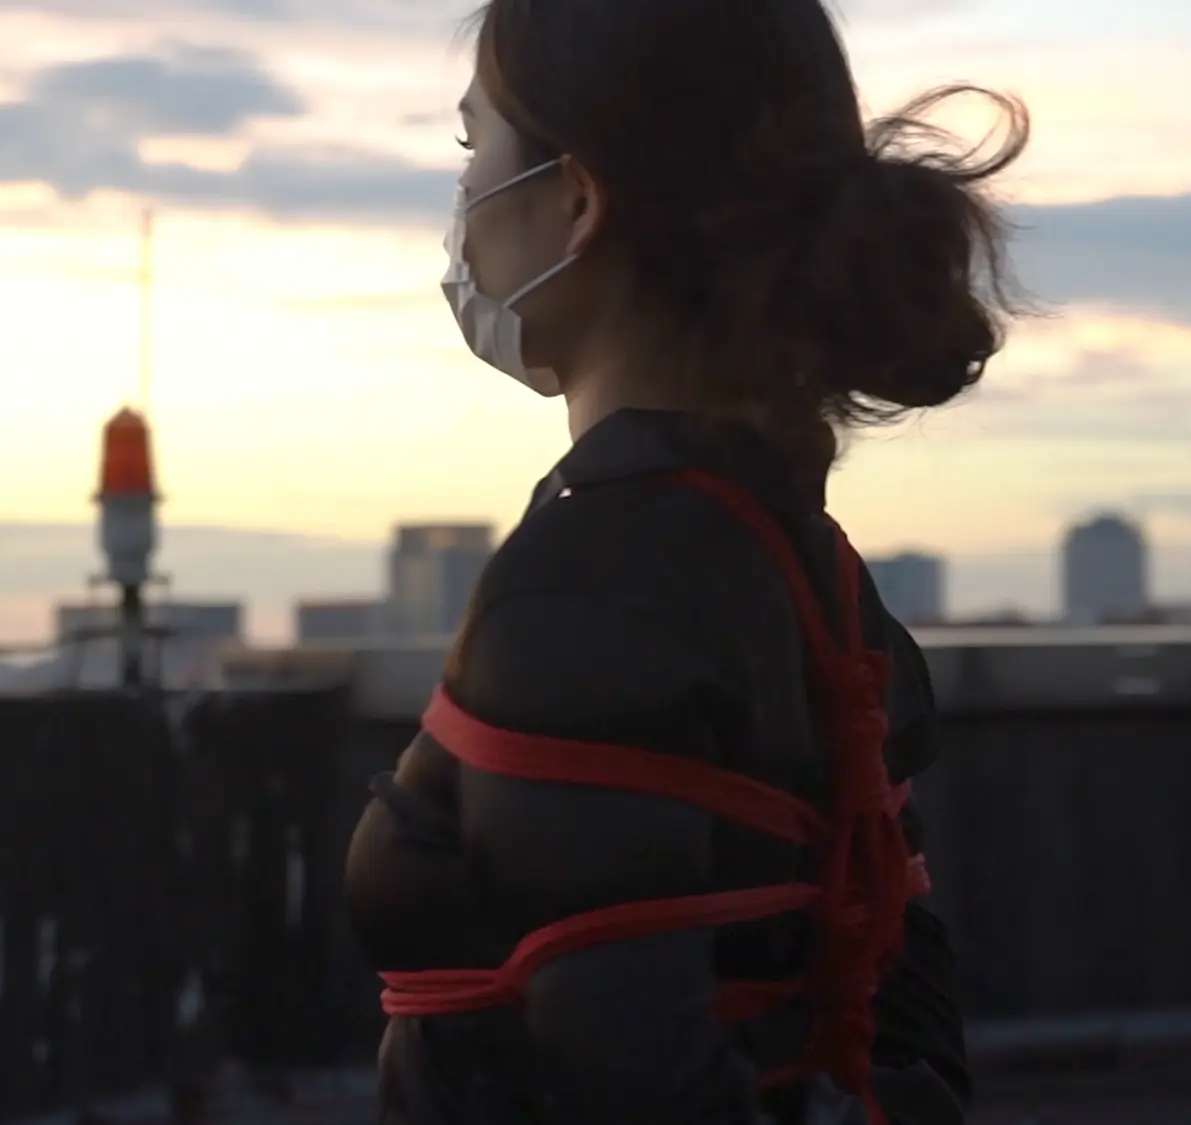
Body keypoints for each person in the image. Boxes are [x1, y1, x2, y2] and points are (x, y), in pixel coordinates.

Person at [343, 0, 1028, 1122]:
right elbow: (904, 995)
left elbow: (627, 1075)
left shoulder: (591, 589)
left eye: (475, 148)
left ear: (576, 200)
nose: (463, 204)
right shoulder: (805, 558)